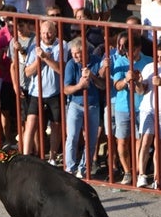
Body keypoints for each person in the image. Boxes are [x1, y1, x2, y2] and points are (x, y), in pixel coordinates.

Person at [22, 20, 68, 165]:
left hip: (55, 91)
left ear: (55, 32)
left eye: (49, 32)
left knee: (56, 125)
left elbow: (62, 69)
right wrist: (39, 61)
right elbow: (27, 72)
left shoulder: (62, 45)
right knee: (31, 123)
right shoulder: (34, 46)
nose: (46, 36)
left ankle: (53, 158)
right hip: (36, 92)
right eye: (43, 33)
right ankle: (25, 157)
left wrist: (46, 58)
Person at [112, 35, 152, 185]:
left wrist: (138, 81)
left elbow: (147, 86)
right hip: (122, 106)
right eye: (127, 51)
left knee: (139, 141)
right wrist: (126, 80)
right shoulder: (120, 61)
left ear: (139, 48)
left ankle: (136, 172)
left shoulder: (148, 61)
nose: (130, 54)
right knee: (122, 141)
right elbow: (116, 85)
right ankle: (127, 172)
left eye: (133, 51)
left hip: (142, 107)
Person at [63, 37, 105, 178]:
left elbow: (103, 85)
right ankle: (70, 168)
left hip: (93, 106)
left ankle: (84, 168)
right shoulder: (71, 64)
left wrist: (92, 76)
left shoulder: (96, 61)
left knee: (92, 140)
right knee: (72, 137)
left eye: (78, 53)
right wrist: (79, 86)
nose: (74, 56)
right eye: (73, 53)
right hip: (75, 105)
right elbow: (66, 89)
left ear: (85, 51)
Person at [135, 46, 161, 189]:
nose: (158, 60)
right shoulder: (149, 67)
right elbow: (140, 91)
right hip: (148, 109)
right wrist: (138, 82)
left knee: (159, 145)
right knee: (145, 140)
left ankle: (157, 177)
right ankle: (142, 175)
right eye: (157, 56)